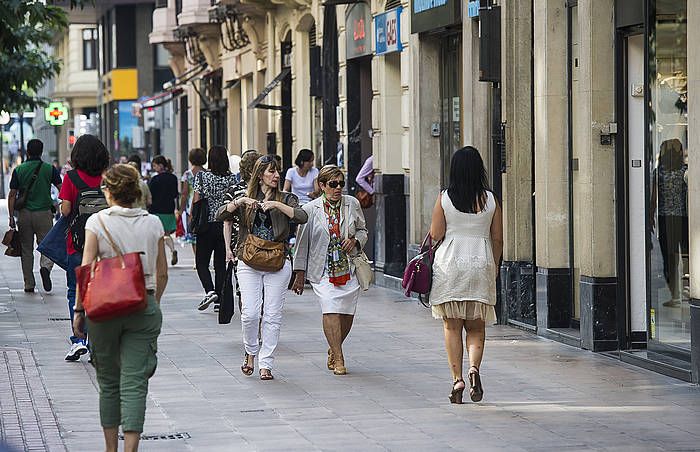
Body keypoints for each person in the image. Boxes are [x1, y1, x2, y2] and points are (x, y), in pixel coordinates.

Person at [72, 164, 167, 452]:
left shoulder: (97, 223)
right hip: (143, 305)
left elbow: (86, 269)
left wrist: (79, 311)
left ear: (109, 191)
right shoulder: (153, 223)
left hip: (104, 310)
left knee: (109, 381)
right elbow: (162, 273)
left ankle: (111, 448)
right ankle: (131, 449)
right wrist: (152, 302)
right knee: (136, 382)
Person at [219, 155, 308, 380]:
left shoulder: (287, 198)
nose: (276, 175)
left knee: (272, 315)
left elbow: (302, 216)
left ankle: (266, 363)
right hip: (249, 261)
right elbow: (220, 214)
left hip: (278, 261)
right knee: (249, 314)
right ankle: (250, 351)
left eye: (277, 171)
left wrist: (277, 205)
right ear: (260, 175)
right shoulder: (247, 198)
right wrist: (239, 202)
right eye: (271, 172)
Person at [428, 146, 503, 404]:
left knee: (451, 325)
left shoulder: (445, 198)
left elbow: (436, 234)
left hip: (450, 264)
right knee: (476, 325)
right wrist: (493, 266)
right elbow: (498, 238)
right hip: (481, 263)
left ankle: (457, 378)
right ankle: (474, 369)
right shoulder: (491, 200)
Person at [292, 165, 367, 376]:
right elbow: (302, 243)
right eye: (333, 184)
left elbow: (363, 230)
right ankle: (339, 356)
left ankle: (333, 347)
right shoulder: (310, 209)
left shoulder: (352, 204)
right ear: (322, 185)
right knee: (331, 307)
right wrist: (299, 274)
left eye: (341, 183)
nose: (338, 188)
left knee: (347, 314)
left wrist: (355, 241)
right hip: (322, 269)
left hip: (349, 267)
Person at [59, 134, 111, 362]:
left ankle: (78, 339)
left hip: (76, 246)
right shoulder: (106, 178)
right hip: (104, 244)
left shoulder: (70, 178)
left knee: (75, 291)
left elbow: (66, 211)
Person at [8, 139, 62, 293]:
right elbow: (61, 188)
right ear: (41, 151)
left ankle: (29, 283)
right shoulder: (49, 169)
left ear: (28, 151)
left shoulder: (19, 170)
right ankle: (45, 267)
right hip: (44, 214)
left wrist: (11, 216)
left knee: (26, 249)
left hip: (24, 215)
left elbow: (12, 195)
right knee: (47, 246)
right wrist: (60, 206)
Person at [192, 145, 238, 311]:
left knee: (201, 262)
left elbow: (196, 200)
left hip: (206, 224)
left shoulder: (202, 177)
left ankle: (210, 290)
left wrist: (192, 218)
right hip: (226, 224)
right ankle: (219, 299)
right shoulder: (233, 179)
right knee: (220, 264)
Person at [218, 150, 261, 306]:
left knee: (244, 289)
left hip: (240, 246)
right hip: (260, 244)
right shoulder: (266, 190)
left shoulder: (233, 191)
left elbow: (227, 222)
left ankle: (249, 320)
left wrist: (228, 248)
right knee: (257, 290)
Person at [651, 138, 689, 307]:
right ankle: (688, 291)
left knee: (670, 258)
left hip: (666, 219)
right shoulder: (685, 171)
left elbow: (653, 199)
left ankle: (676, 295)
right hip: (684, 218)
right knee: (686, 256)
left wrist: (649, 217)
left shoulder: (658, 173)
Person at [148, 155, 179, 266]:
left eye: (155, 166)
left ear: (160, 165)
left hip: (156, 210)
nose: (154, 168)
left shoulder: (155, 179)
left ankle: (159, 258)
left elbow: (150, 196)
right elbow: (175, 194)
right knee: (166, 233)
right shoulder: (173, 178)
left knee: (158, 235)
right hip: (169, 209)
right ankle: (172, 250)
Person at [179, 148, 207, 261]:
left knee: (193, 232)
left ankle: (197, 259)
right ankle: (204, 257)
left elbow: (184, 193)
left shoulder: (187, 174)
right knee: (203, 232)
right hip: (205, 205)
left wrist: (181, 209)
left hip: (190, 206)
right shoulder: (207, 173)